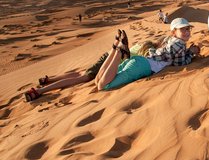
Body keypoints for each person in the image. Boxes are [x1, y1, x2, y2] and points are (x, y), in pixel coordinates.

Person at [23, 30, 163, 101]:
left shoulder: (142, 44)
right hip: (109, 60)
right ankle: (40, 91)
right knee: (83, 77)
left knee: (81, 73)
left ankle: (49, 80)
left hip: (107, 57)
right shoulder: (147, 49)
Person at [94, 18, 200, 91]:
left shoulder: (169, 40)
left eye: (188, 29)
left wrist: (187, 52)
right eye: (182, 29)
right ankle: (119, 51)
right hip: (142, 67)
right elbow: (180, 63)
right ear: (174, 32)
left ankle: (115, 47)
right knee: (103, 86)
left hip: (140, 61)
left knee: (98, 80)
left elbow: (174, 54)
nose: (187, 32)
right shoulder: (179, 43)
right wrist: (191, 53)